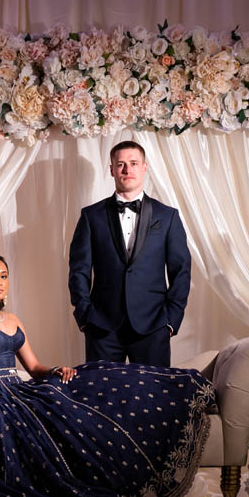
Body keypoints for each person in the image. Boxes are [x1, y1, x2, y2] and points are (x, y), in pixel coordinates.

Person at [0, 254, 215, 497]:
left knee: (92, 384)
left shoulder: (13, 320)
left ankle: (181, 388)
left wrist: (56, 370)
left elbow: (34, 367)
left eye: (4, 276)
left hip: (17, 388)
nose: (0, 282)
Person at [68, 140, 192, 367]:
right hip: (102, 327)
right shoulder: (91, 216)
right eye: (121, 164)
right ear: (112, 169)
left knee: (154, 398)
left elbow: (181, 271)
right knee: (101, 397)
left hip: (153, 327)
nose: (127, 170)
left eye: (133, 163)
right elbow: (79, 270)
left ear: (144, 167)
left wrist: (171, 321)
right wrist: (85, 316)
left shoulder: (167, 216)